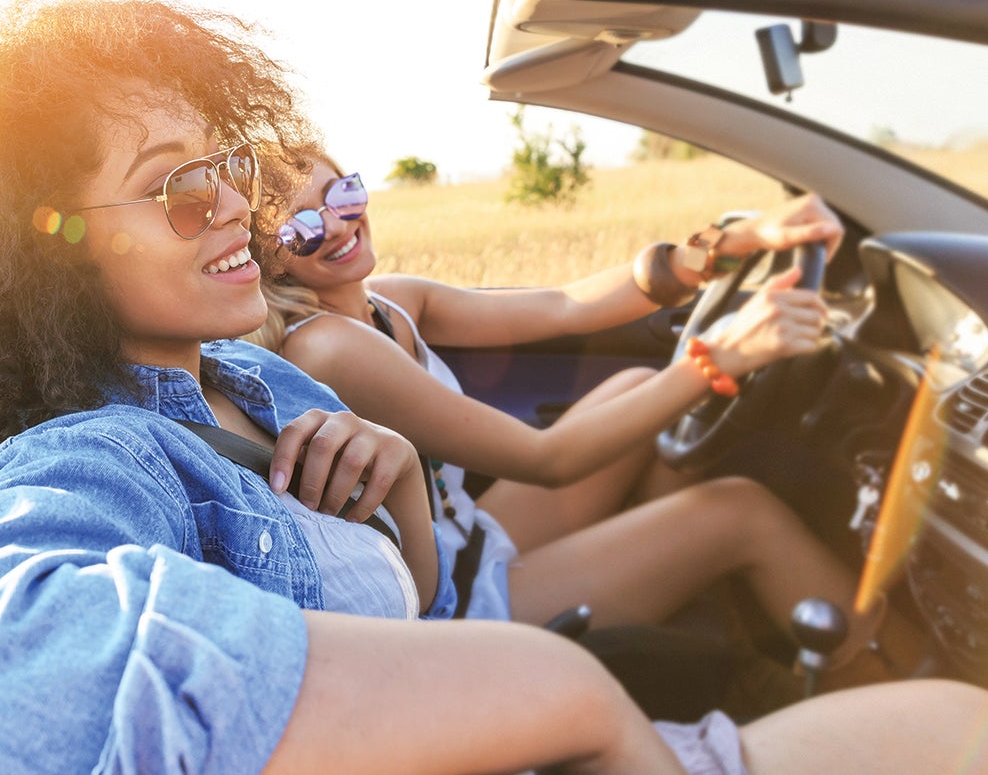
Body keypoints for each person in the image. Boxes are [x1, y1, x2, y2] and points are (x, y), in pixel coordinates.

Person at [0, 0, 988, 774]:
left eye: (219, 165)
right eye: (174, 187)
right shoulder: (92, 453)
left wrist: (408, 501)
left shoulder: (259, 382)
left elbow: (408, 603)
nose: (233, 205)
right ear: (45, 244)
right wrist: (557, 684)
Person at [250, 155, 931, 676]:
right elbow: (549, 461)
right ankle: (903, 681)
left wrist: (730, 242)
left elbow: (567, 306)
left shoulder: (389, 302)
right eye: (302, 226)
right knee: (741, 511)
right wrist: (722, 354)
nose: (337, 225)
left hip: (467, 533)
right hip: (446, 604)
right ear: (268, 258)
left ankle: (702, 613)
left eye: (342, 193)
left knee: (635, 382)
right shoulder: (330, 346)